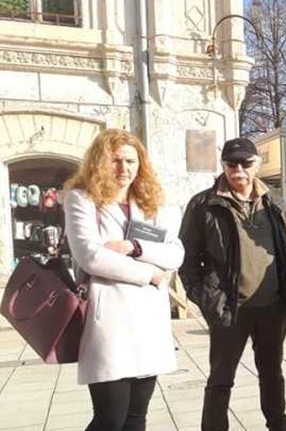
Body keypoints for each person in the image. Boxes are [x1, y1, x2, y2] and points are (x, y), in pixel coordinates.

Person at [178, 137, 286, 431]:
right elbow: (186, 259)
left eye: (246, 163)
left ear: (257, 165)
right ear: (223, 165)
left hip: (272, 307)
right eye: (232, 163)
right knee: (221, 378)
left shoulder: (272, 201)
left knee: (272, 373)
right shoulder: (203, 204)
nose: (239, 169)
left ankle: (278, 426)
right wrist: (205, 298)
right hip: (229, 309)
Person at [64, 129, 185, 430]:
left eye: (131, 161)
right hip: (111, 321)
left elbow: (176, 254)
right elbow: (90, 256)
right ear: (99, 162)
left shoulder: (149, 202)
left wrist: (135, 247)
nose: (124, 169)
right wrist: (150, 273)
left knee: (136, 417)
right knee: (110, 418)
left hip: (149, 323)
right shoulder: (81, 199)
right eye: (115, 160)